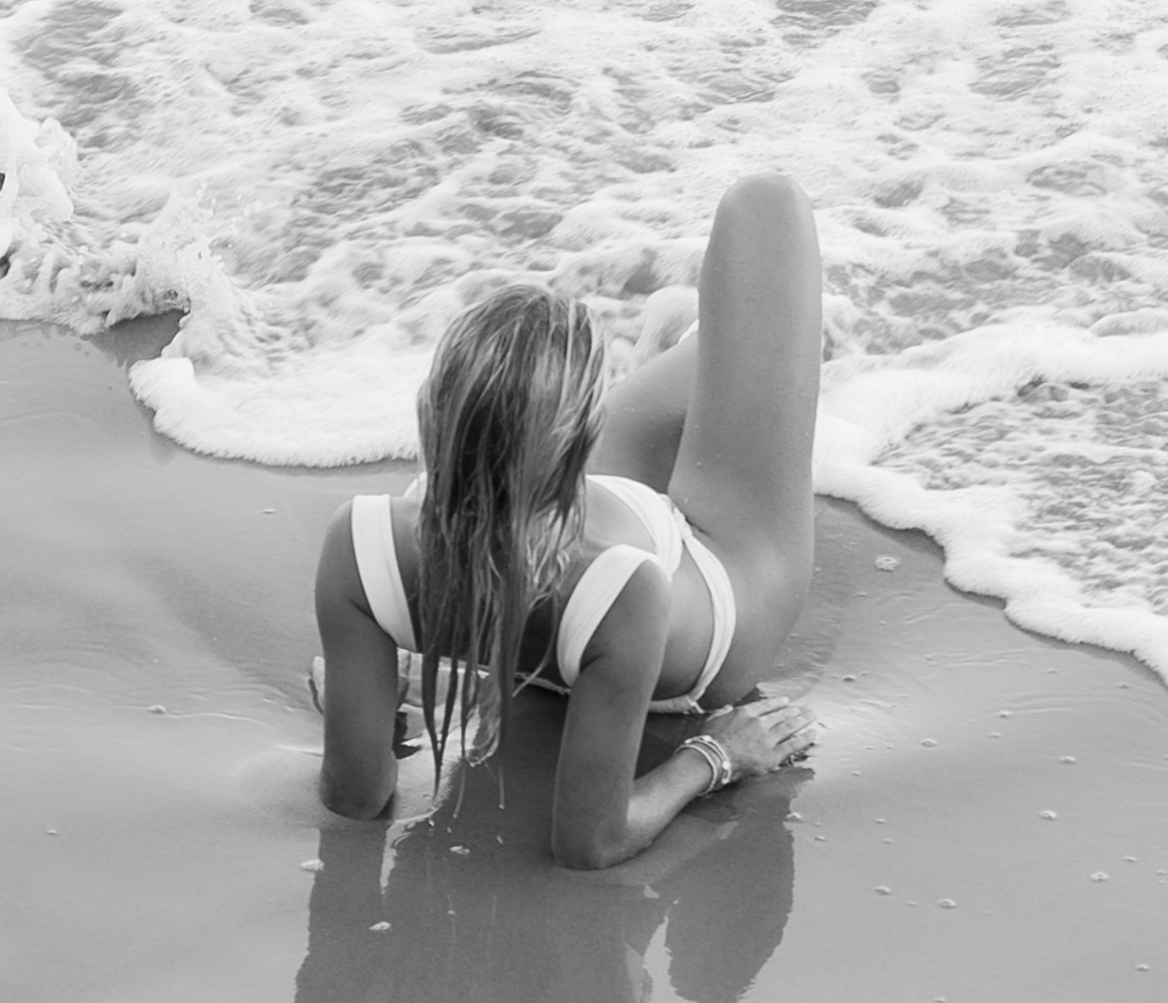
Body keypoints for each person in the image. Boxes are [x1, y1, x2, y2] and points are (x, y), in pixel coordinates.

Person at [313, 174, 822, 866]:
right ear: (579, 447)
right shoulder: (627, 590)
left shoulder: (360, 541)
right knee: (766, 208)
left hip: (559, 580)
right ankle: (743, 352)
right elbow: (591, 840)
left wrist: (367, 704)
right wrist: (717, 755)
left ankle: (712, 354)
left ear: (433, 409)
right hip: (708, 591)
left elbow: (357, 796)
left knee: (716, 359)